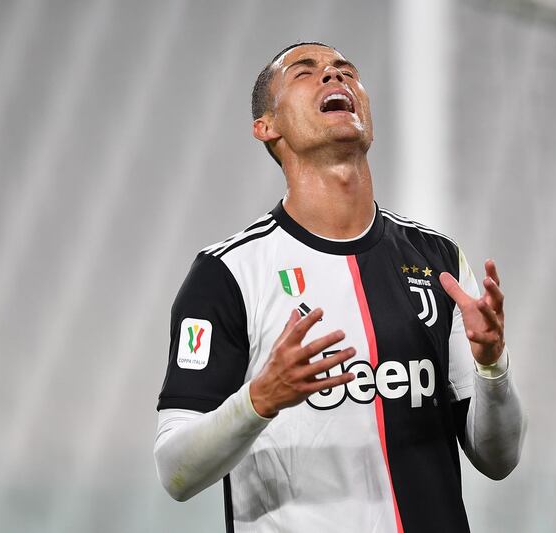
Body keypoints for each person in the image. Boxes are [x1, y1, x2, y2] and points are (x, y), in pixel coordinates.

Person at [154, 41, 526, 533]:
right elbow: (175, 473)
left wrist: (492, 364)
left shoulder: (438, 260)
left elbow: (498, 459)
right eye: (306, 73)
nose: (334, 77)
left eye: (345, 70)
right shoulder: (227, 273)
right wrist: (260, 398)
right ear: (267, 126)